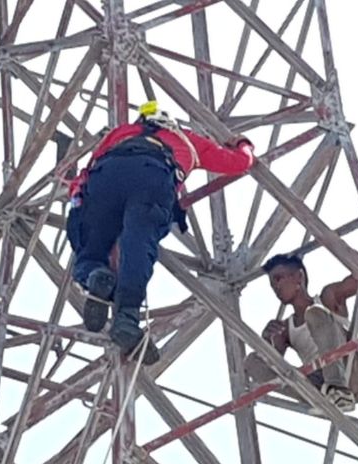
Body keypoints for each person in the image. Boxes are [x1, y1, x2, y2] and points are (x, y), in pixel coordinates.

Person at [67, 101, 255, 364]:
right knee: (139, 243)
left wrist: (77, 199)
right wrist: (243, 144)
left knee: (91, 246)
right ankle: (127, 317)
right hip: (153, 174)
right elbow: (239, 163)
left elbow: (87, 171)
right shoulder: (187, 140)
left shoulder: (121, 132)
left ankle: (94, 276)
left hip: (107, 173)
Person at [244, 254, 358, 413]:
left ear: (299, 276)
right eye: (272, 284)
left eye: (279, 278)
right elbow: (274, 366)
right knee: (252, 362)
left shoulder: (328, 297)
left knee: (314, 313)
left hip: (350, 370)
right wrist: (266, 341)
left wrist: (332, 243)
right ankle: (321, 397)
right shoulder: (285, 329)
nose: (276, 287)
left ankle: (339, 390)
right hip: (319, 384)